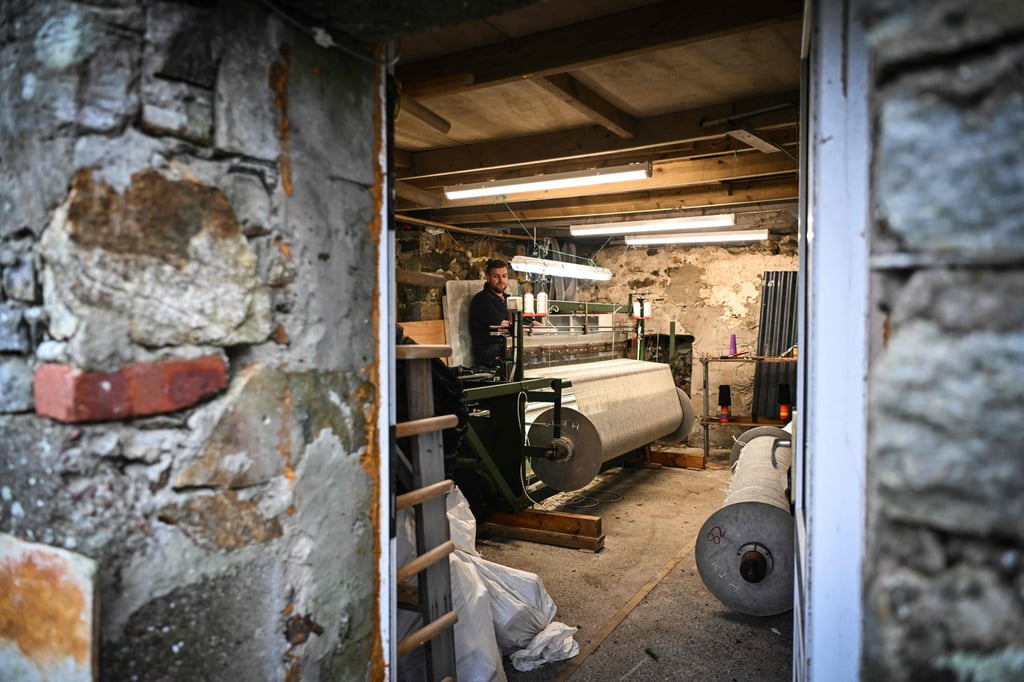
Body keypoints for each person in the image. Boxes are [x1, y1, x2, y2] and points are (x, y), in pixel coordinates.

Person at [469, 258, 511, 367]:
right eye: (496, 276)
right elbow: (502, 323)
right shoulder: (481, 300)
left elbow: (519, 319)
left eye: (504, 276)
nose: (501, 280)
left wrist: (532, 323)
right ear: (487, 278)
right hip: (489, 350)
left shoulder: (509, 299)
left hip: (505, 345)